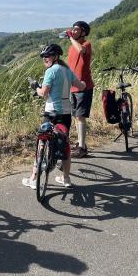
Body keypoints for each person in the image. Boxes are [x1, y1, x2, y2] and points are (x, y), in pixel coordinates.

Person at [23, 44, 86, 189]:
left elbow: (43, 93)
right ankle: (66, 178)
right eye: (44, 57)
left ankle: (33, 178)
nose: (45, 59)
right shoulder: (67, 70)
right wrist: (83, 82)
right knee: (64, 144)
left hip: (51, 112)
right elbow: (81, 86)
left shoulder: (51, 71)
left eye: (48, 56)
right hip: (66, 113)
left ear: (55, 56)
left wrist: (35, 87)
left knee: (41, 143)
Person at [64, 20, 94, 158]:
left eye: (76, 29)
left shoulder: (86, 44)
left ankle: (82, 148)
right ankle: (80, 143)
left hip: (84, 86)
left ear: (83, 32)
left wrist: (70, 37)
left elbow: (81, 50)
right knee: (76, 116)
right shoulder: (71, 47)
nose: (73, 31)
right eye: (72, 29)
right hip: (72, 87)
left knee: (80, 116)